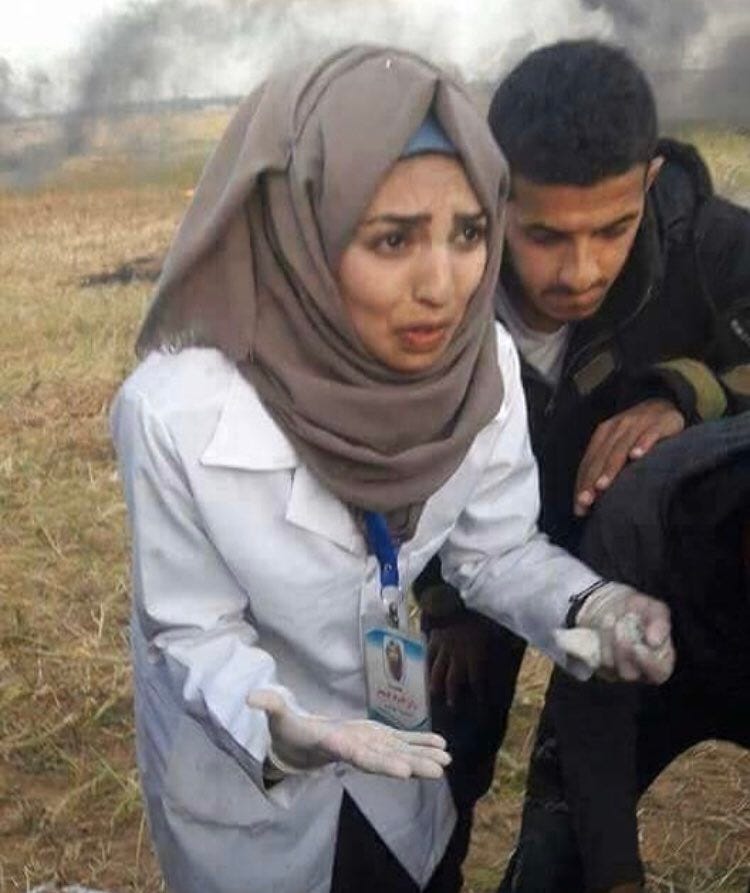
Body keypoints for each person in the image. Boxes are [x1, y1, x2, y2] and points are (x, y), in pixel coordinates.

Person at [111, 46, 674, 893]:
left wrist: (593, 604)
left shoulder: (480, 362)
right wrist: (283, 727)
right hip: (245, 770)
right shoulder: (175, 413)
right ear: (305, 224)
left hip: (393, 740)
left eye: (470, 232)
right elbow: (193, 631)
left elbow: (495, 552)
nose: (443, 285)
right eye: (393, 238)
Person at [413, 37, 750, 886]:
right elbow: (407, 451)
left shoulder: (706, 244)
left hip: (637, 583)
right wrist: (444, 599)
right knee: (435, 770)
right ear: (492, 192)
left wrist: (688, 393)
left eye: (612, 228)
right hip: (479, 574)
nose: (580, 269)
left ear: (648, 181)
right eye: (543, 234)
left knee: (569, 812)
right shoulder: (438, 281)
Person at [500, 412, 750, 893]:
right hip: (647, 673)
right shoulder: (642, 513)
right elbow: (593, 727)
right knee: (558, 850)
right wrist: (616, 876)